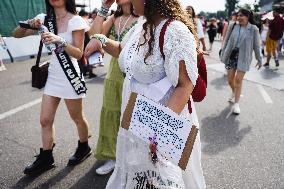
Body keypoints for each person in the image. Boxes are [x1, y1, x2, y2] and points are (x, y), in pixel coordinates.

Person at [85, 0, 206, 188]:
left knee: (163, 180)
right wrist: (100, 39)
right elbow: (121, 50)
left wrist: (159, 135)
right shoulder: (143, 24)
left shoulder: (175, 30)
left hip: (161, 125)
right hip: (138, 122)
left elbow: (185, 85)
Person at [12, 0, 92, 175]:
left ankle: (84, 147)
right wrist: (29, 24)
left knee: (77, 117)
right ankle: (47, 157)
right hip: (54, 75)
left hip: (71, 76)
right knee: (45, 120)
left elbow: (79, 53)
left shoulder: (76, 21)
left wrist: (60, 40)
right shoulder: (43, 19)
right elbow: (17, 34)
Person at [88, 0, 138, 175]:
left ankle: (133, 158)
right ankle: (112, 157)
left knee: (131, 118)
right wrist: (104, 7)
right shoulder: (113, 18)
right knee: (111, 115)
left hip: (135, 76)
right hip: (113, 74)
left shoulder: (142, 18)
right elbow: (93, 36)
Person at [221, 8, 262, 115]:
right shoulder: (233, 25)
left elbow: (257, 46)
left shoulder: (254, 29)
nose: (239, 18)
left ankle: (236, 104)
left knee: (238, 80)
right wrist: (223, 53)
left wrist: (259, 59)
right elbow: (226, 40)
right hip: (232, 55)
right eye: (238, 15)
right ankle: (235, 92)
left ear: (248, 17)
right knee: (230, 79)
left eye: (241, 16)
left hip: (244, 57)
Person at [78, 9, 97, 78]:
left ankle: (82, 71)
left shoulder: (76, 20)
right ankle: (90, 72)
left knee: (80, 56)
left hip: (78, 39)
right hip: (86, 39)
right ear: (86, 15)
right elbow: (89, 31)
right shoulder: (85, 20)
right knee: (89, 55)